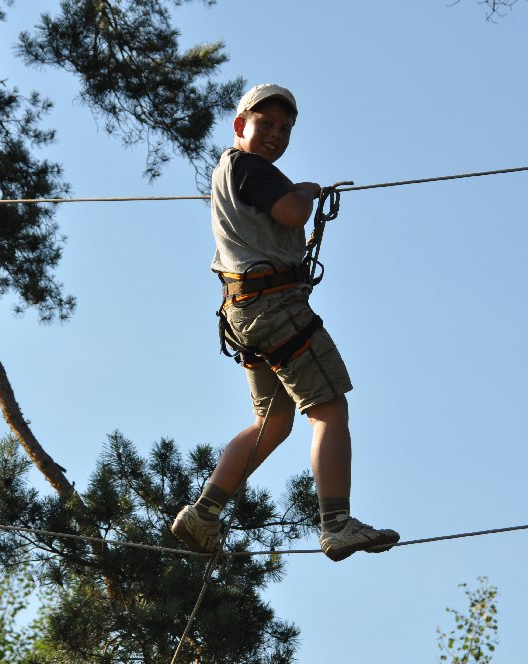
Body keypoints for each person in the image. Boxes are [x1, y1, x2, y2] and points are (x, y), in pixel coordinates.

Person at [169, 83, 400, 562]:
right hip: (275, 309)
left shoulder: (227, 172)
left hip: (244, 313)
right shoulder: (251, 168)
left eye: (285, 128)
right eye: (266, 123)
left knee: (272, 421)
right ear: (240, 125)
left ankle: (203, 514)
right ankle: (337, 523)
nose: (276, 134)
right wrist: (305, 192)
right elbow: (292, 214)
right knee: (328, 408)